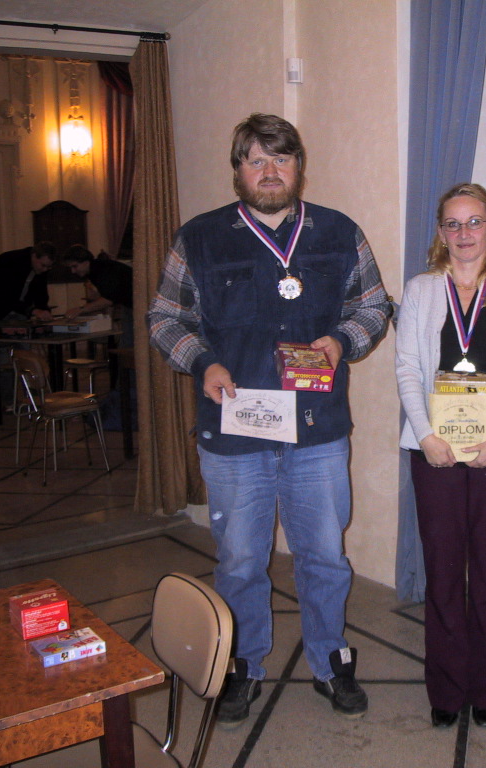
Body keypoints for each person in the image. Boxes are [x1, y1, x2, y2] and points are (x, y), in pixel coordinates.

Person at [148, 113, 391, 725]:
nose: (270, 171)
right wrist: (202, 362)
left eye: (281, 159)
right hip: (235, 432)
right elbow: (165, 318)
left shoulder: (339, 232)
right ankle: (243, 664)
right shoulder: (200, 238)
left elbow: (372, 307)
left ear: (299, 167)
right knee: (239, 560)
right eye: (256, 160)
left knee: (325, 556)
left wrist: (341, 341)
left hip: (316, 430)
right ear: (237, 171)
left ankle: (331, 659)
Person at [396, 183, 486, 729]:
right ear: (441, 232)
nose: (464, 233)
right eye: (453, 224)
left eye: (474, 222)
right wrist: (426, 434)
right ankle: (446, 688)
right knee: (443, 571)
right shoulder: (421, 289)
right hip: (433, 447)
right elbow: (408, 367)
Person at [61, 245, 134, 346]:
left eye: (75, 266)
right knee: (127, 342)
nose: (72, 271)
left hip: (139, 304)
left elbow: (108, 299)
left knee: (129, 343)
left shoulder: (102, 270)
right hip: (130, 304)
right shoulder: (96, 269)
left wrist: (80, 309)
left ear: (86, 262)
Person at [0, 242, 56, 323]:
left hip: (13, 302)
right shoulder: (12, 262)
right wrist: (32, 310)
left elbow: (41, 292)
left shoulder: (40, 267)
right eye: (43, 265)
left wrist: (44, 310)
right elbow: (7, 296)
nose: (45, 269)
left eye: (49, 267)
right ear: (34, 256)